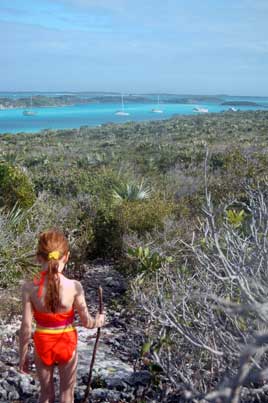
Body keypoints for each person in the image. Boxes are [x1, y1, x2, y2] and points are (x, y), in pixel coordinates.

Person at [19, 229, 105, 403]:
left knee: (45, 395)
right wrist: (99, 320)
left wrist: (23, 356)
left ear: (38, 257)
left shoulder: (29, 288)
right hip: (67, 342)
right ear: (66, 257)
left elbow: (26, 327)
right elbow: (87, 322)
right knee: (67, 395)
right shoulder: (74, 286)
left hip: (43, 342)